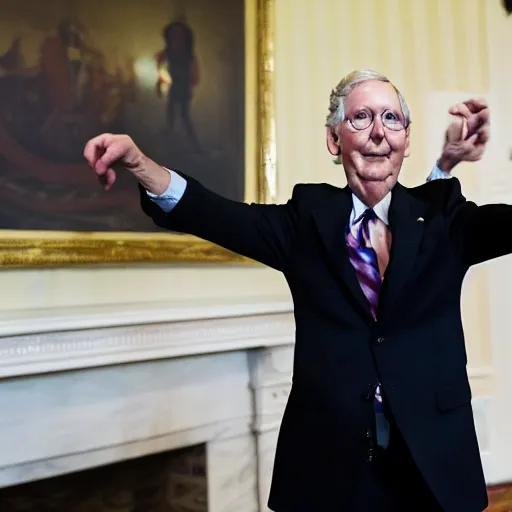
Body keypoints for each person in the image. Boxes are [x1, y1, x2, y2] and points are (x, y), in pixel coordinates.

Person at [84, 69, 493, 511]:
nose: (378, 132)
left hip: (432, 459)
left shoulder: (443, 219)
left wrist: (448, 161)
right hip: (331, 466)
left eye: (392, 118)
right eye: (361, 117)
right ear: (335, 140)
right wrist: (140, 164)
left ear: (407, 140)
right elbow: (215, 214)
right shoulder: (307, 218)